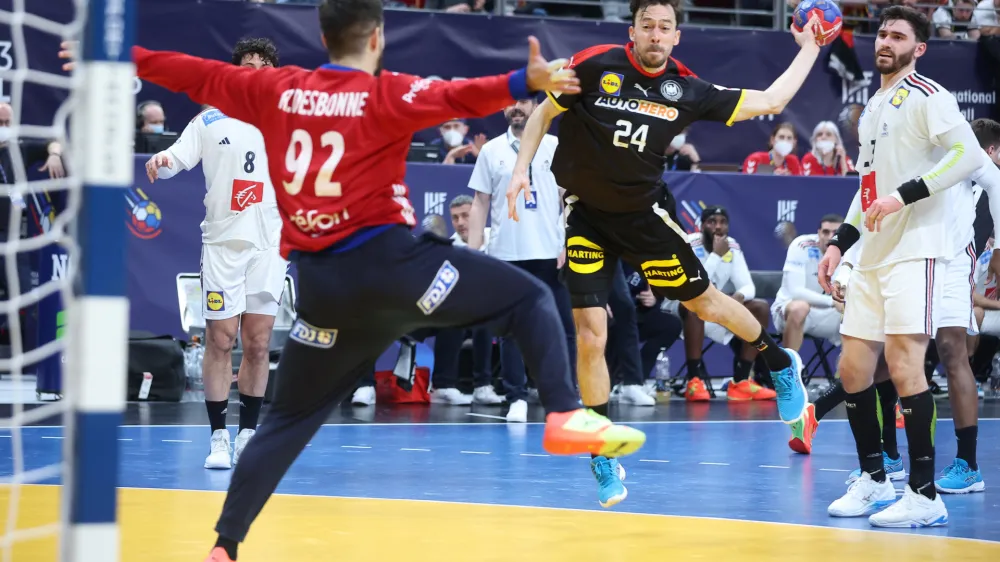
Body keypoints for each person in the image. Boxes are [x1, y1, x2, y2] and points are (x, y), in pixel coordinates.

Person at [124, 1, 648, 558]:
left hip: (325, 292)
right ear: (376, 37)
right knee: (531, 297)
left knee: (286, 423)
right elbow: (459, 95)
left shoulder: (273, 91)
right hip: (394, 271)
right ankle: (565, 414)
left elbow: (186, 70)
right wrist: (524, 79)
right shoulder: (385, 91)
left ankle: (225, 545)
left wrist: (120, 57)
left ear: (323, 37)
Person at [506, 0, 822, 507]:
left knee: (706, 304)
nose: (656, 34)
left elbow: (770, 101)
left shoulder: (688, 89)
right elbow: (543, 112)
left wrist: (809, 48)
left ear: (677, 37)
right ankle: (603, 452)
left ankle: (779, 360)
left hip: (644, 219)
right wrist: (522, 168)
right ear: (632, 31)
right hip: (586, 216)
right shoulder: (594, 64)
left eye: (665, 27)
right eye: (647, 25)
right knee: (590, 335)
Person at [817, 6, 986, 528]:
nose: (886, 42)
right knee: (852, 369)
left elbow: (969, 154)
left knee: (908, 366)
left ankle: (924, 493)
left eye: (898, 36)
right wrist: (839, 245)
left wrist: (902, 196)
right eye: (882, 34)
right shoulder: (874, 106)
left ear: (919, 48)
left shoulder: (929, 97)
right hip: (873, 253)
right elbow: (866, 189)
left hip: (920, 249)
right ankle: (873, 478)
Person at [143, 38, 287, 471]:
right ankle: (219, 436)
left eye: (265, 63)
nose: (256, 69)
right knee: (221, 340)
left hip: (272, 242)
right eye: (248, 63)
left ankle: (249, 434)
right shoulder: (210, 119)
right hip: (224, 242)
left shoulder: (288, 119)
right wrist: (162, 161)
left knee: (259, 342)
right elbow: (176, 156)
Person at [466, 97, 574, 422]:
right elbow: (479, 203)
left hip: (549, 253)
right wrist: (473, 255)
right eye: (511, 103)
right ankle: (516, 396)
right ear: (502, 110)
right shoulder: (491, 151)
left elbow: (570, 199)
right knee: (512, 330)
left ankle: (565, 397)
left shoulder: (555, 145)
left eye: (524, 102)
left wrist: (567, 242)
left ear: (536, 106)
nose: (517, 107)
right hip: (506, 254)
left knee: (564, 328)